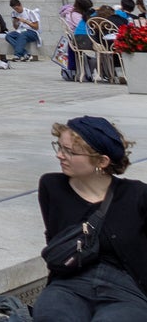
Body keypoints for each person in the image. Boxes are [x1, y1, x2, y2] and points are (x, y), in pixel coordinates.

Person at [37, 116, 147, 322]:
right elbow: (56, 245)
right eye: (59, 147)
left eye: (69, 151)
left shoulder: (137, 194)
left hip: (124, 290)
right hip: (68, 285)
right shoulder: (52, 187)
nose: (60, 155)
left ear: (102, 161)